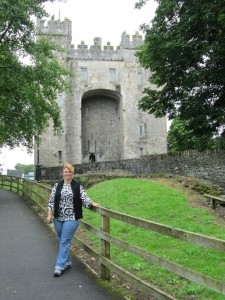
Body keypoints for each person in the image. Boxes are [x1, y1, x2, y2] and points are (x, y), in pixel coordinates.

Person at [47, 162, 99, 277]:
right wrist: (49, 215)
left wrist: (91, 203)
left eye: (70, 172)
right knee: (61, 240)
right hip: (58, 217)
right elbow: (51, 201)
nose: (68, 173)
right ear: (63, 173)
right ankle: (68, 261)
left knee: (65, 241)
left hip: (72, 217)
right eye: (66, 172)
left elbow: (84, 198)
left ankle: (59, 266)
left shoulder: (77, 185)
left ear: (72, 173)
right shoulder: (57, 185)